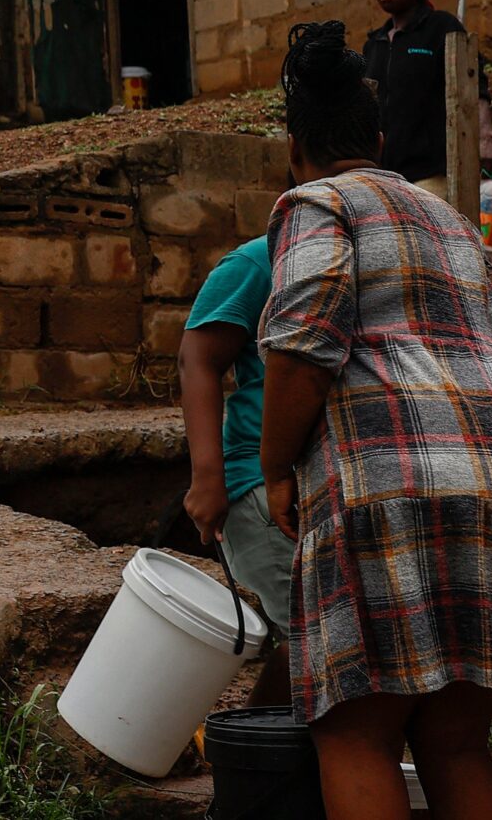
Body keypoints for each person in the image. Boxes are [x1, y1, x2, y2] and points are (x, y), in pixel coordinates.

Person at [260, 20, 492, 820]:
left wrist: (274, 469)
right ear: (379, 140)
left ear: (295, 146)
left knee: (355, 735)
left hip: (389, 487)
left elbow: (304, 346)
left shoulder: (314, 203)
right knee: (455, 743)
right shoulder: (448, 219)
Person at [178, 230, 293, 709]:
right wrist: (209, 480)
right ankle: (252, 764)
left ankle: (258, 760)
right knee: (312, 640)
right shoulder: (258, 260)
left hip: (324, 484)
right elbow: (197, 357)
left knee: (317, 642)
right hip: (263, 488)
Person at [360, 0, 486, 200]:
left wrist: (485, 142)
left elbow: (475, 88)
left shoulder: (441, 28)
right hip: (383, 178)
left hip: (431, 175)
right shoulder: (375, 43)